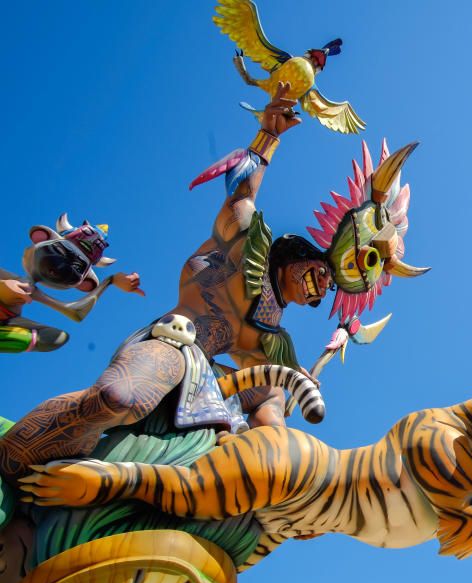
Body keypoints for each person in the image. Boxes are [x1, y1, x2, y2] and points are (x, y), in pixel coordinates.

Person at [0, 83, 320, 478]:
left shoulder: (274, 339)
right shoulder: (242, 251)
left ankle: (275, 486)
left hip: (214, 380)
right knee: (119, 398)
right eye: (319, 273)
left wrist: (289, 454)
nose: (321, 287)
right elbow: (241, 196)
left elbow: (272, 395)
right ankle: (8, 463)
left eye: (328, 285)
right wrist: (268, 136)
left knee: (271, 394)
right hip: (174, 342)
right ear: (293, 259)